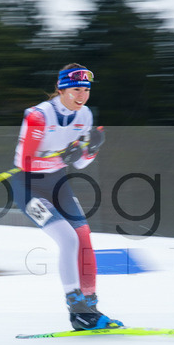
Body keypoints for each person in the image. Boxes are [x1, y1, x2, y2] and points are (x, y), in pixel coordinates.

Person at [11, 63, 123, 330]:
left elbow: (81, 163)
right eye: (76, 90)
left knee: (83, 235)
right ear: (61, 89)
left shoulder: (84, 116)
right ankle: (76, 309)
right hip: (28, 187)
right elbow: (25, 162)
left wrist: (91, 150)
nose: (82, 96)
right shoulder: (38, 115)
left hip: (57, 183)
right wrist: (64, 156)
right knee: (67, 238)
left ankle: (90, 308)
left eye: (86, 90)